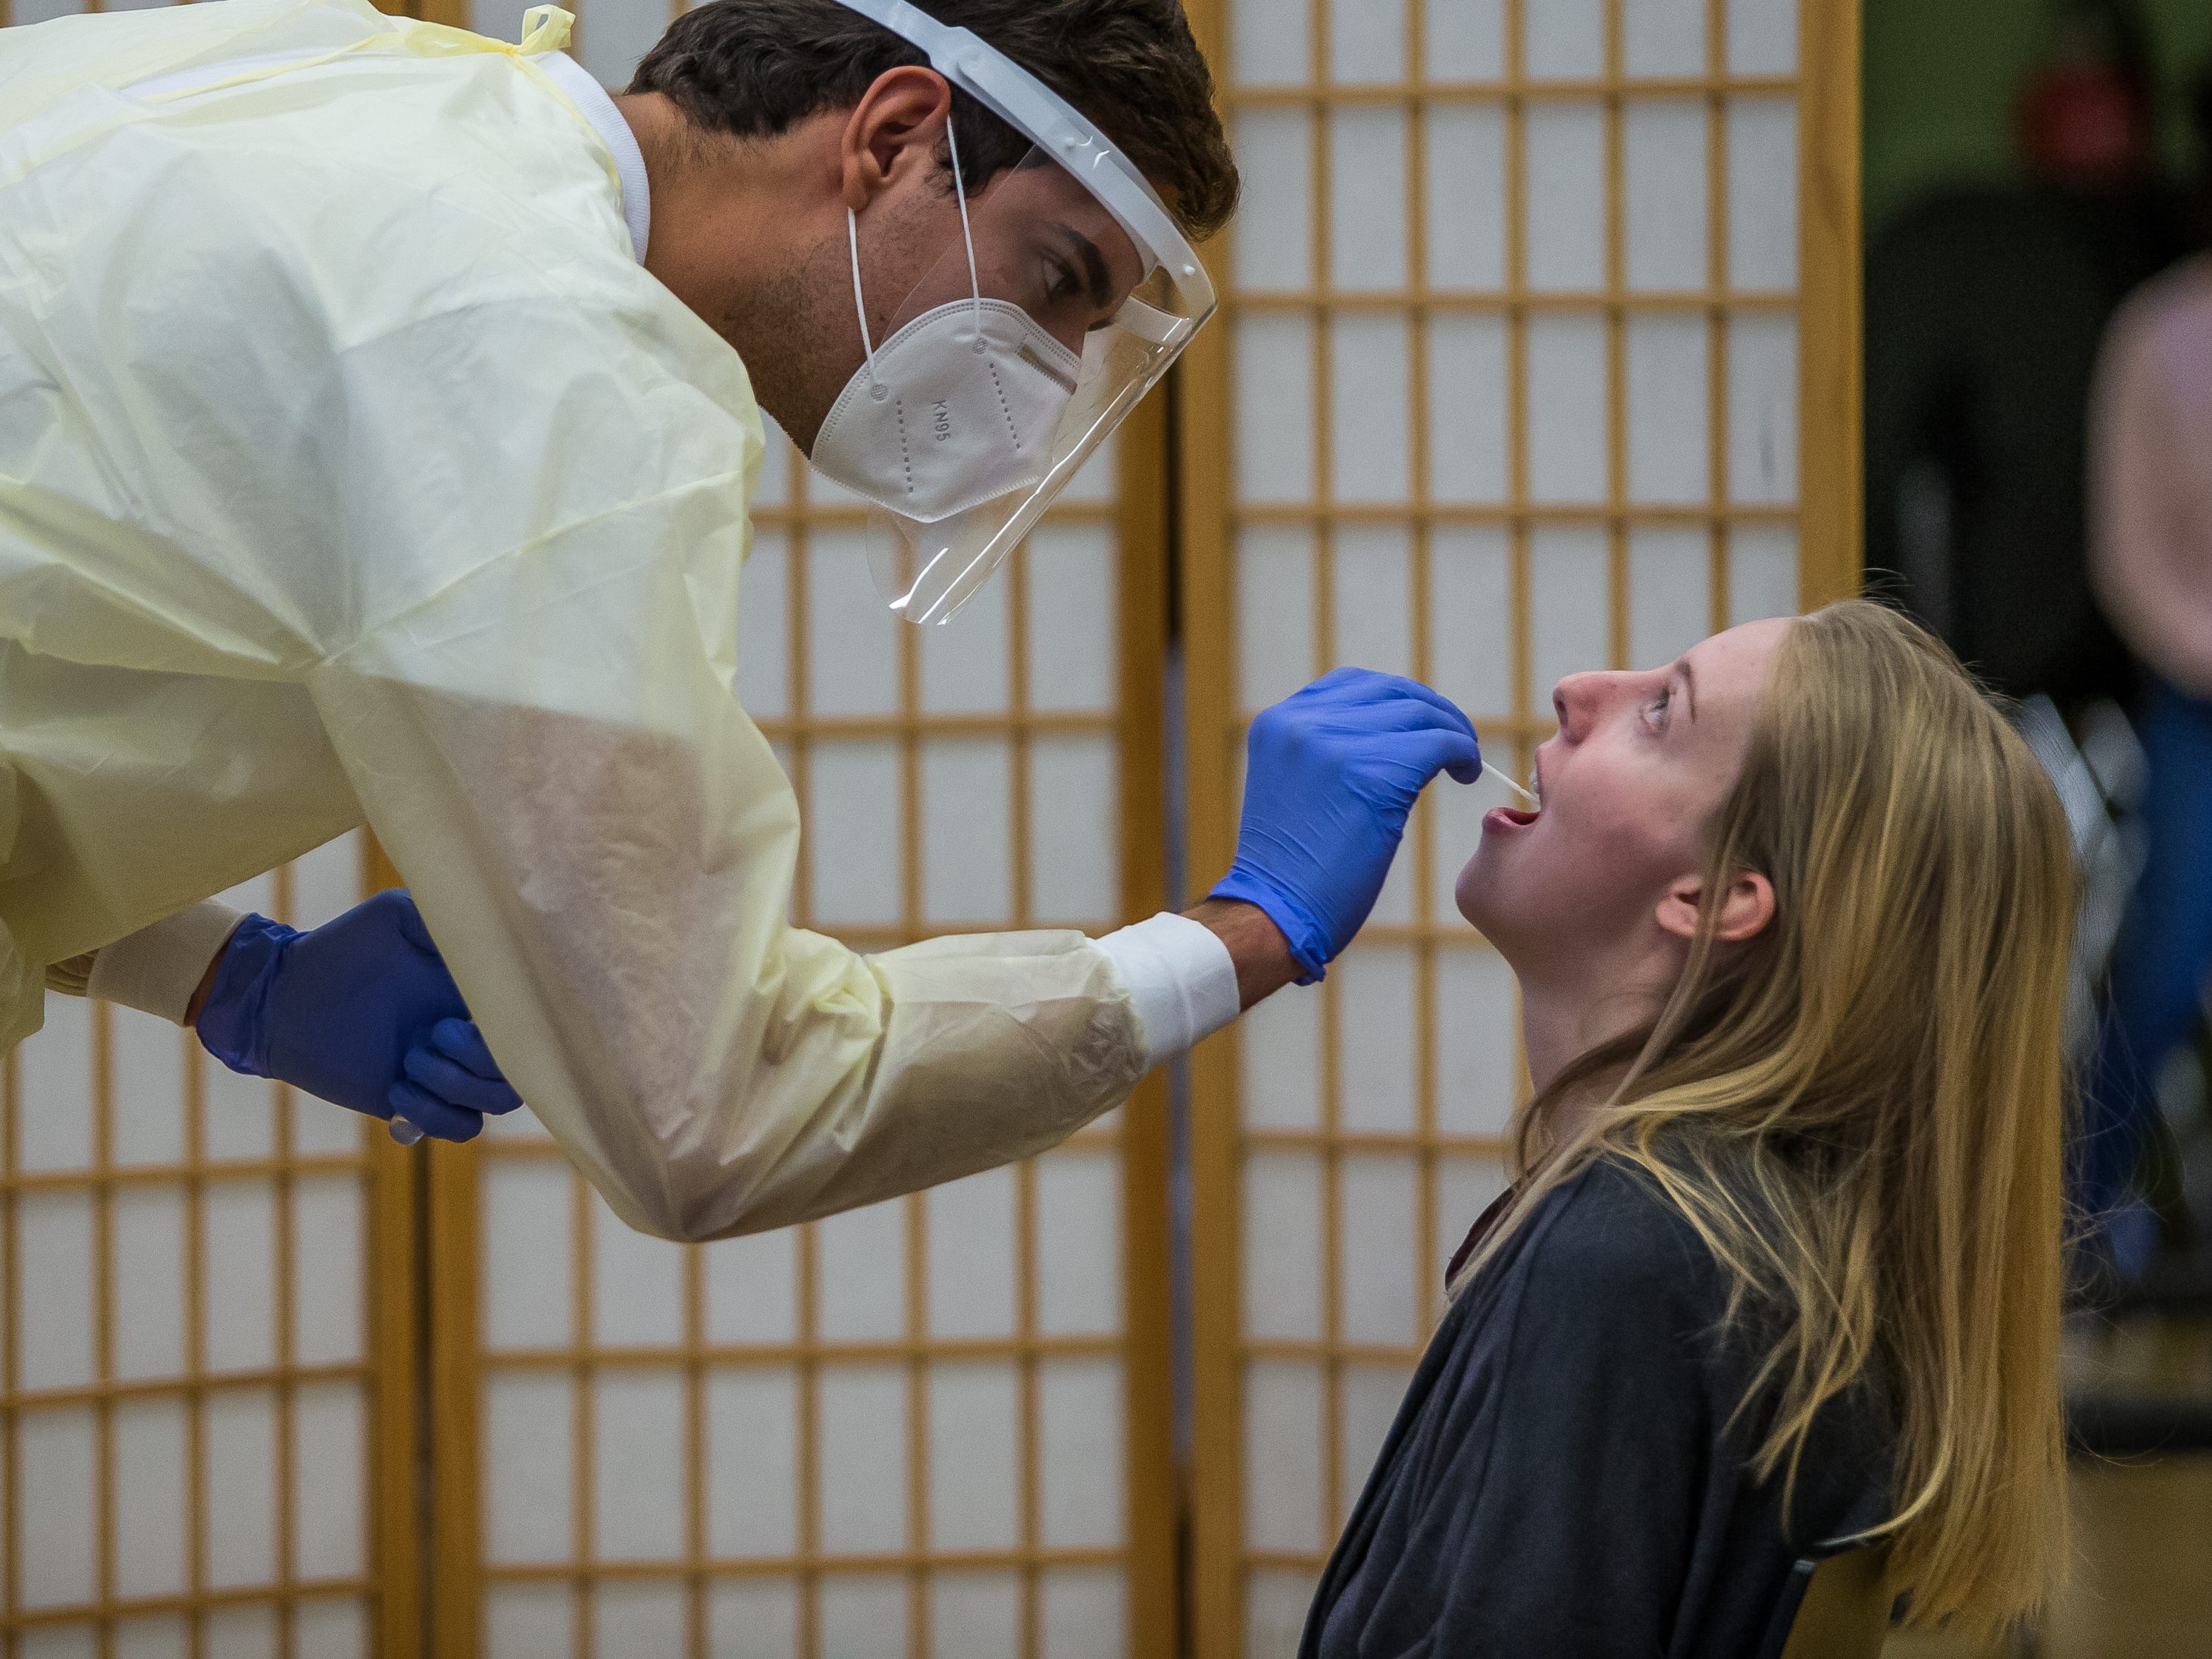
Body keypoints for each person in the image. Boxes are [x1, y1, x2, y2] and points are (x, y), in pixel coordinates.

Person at [0, 0, 1485, 1228]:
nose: (1037, 392)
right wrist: (1242, 933)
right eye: (1050, 283)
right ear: (896, 136)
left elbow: (53, 615)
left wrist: (205, 971)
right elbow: (712, 1115)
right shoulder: (556, 369)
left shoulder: (330, 75)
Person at [1304, 603, 2073, 1654]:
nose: (1580, 689)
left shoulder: (1624, 1264)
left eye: (1661, 710)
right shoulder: (1753, 1255)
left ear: (1716, 896)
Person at [2083, 67, 2212, 1267]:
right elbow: (2128, 551)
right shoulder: (2158, 334)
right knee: (2167, 960)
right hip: (2195, 692)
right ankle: (2080, 1210)